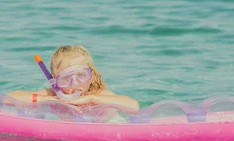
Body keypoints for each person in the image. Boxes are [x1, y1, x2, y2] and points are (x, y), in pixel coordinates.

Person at [8, 45, 139, 112]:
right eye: (66, 78)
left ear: (91, 76)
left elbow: (133, 106)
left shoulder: (96, 94)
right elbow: (8, 98)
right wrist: (50, 100)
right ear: (55, 81)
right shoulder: (53, 94)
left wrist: (92, 99)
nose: (75, 83)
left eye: (81, 75)